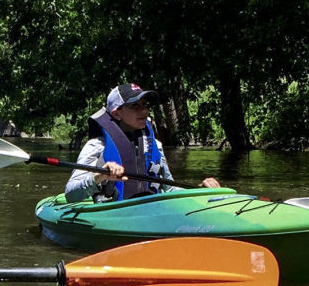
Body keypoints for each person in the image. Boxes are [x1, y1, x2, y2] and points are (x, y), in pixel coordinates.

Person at [65, 83, 219, 201]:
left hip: (151, 211)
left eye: (145, 105)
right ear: (117, 113)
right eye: (135, 106)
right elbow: (71, 194)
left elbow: (170, 189)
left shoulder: (155, 145)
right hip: (112, 213)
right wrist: (100, 176)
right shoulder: (97, 146)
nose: (144, 111)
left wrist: (202, 191)